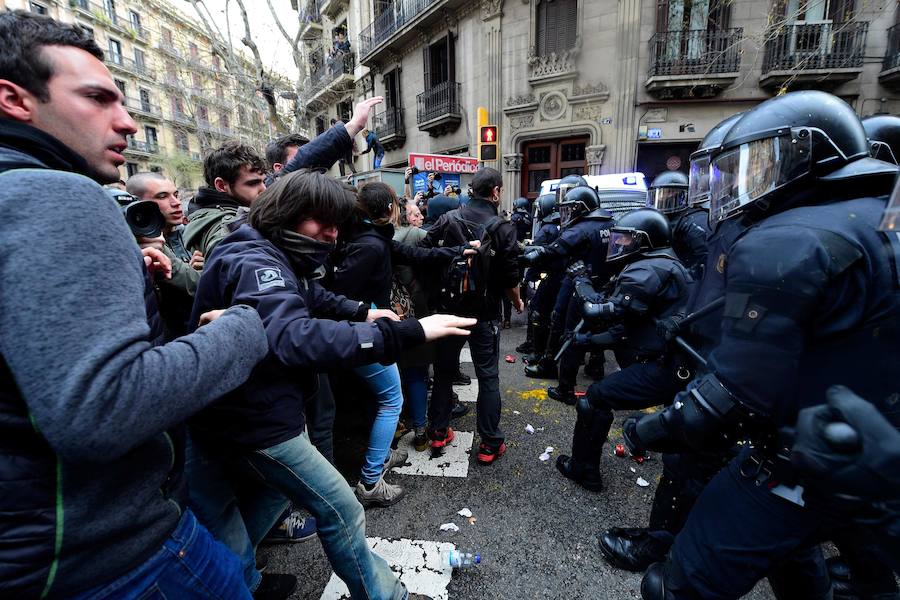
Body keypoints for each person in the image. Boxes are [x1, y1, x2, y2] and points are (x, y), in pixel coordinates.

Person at [0, 10, 270, 598]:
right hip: (116, 558)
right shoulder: (55, 194)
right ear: (15, 100)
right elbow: (103, 407)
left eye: (123, 100)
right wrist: (245, 329)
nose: (125, 122)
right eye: (97, 99)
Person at [624, 91, 900, 600]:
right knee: (808, 561)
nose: (741, 185)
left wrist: (650, 428)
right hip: (877, 452)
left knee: (675, 585)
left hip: (801, 451)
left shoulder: (788, 237)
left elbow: (738, 391)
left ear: (805, 152)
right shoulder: (882, 216)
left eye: (759, 163)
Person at [186, 169, 476, 599]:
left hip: (247, 408)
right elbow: (291, 335)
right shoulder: (255, 261)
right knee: (341, 509)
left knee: (255, 501)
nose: (331, 234)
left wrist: (362, 311)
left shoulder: (271, 251)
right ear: (285, 212)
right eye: (321, 222)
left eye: (336, 225)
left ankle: (238, 579)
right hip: (254, 419)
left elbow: (307, 295)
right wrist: (407, 332)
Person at [327, 181, 474, 506]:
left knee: (382, 397)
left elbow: (416, 254)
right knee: (392, 400)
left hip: (374, 334)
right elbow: (335, 294)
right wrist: (364, 312)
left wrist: (457, 251)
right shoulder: (369, 247)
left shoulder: (375, 240)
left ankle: (383, 456)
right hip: (363, 335)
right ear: (391, 210)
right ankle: (369, 483)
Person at [555, 208, 691, 492]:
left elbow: (597, 311)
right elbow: (628, 328)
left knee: (594, 399)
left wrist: (580, 280)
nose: (619, 246)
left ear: (644, 240)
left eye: (625, 240)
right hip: (672, 362)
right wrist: (587, 342)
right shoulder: (663, 262)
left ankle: (584, 470)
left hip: (664, 365)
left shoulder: (647, 269)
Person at [423, 167, 524, 464]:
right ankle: (489, 444)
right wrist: (516, 302)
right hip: (486, 312)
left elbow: (425, 251)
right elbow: (510, 277)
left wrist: (446, 274)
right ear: (495, 192)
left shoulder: (448, 218)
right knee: (488, 376)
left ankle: (439, 431)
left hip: (450, 309)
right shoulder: (503, 227)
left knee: (443, 373)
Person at [522, 176, 615, 404]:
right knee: (599, 326)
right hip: (606, 286)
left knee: (568, 331)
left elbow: (555, 251)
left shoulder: (581, 229)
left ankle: (565, 386)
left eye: (570, 209)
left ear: (581, 207)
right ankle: (595, 366)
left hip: (579, 284)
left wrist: (529, 254)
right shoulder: (611, 223)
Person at [127, 171, 203, 336]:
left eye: (176, 195)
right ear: (138, 205)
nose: (176, 203)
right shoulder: (136, 244)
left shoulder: (188, 234)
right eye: (162, 197)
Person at [647, 171, 709, 281]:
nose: (661, 198)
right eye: (659, 194)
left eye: (668, 193)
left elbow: (703, 261)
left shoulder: (695, 221)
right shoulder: (663, 219)